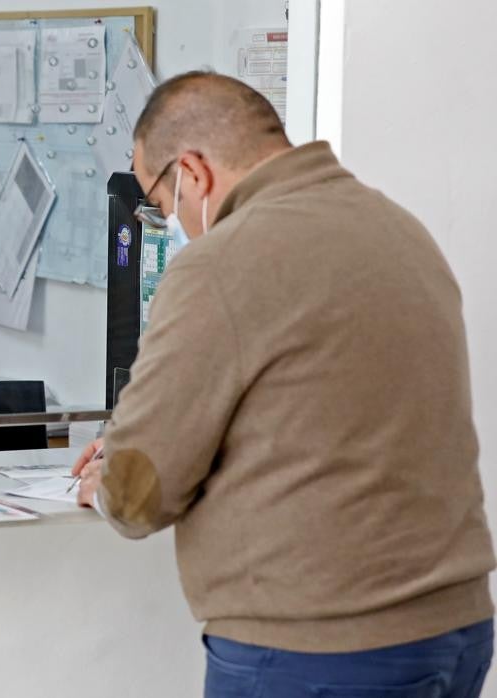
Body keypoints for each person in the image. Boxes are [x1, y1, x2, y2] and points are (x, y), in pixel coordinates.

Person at [71, 71, 495, 696]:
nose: (173, 221)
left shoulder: (222, 263)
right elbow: (320, 411)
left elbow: (139, 495)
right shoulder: (399, 228)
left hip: (318, 647)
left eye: (162, 202)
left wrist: (106, 482)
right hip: (456, 628)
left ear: (193, 172)